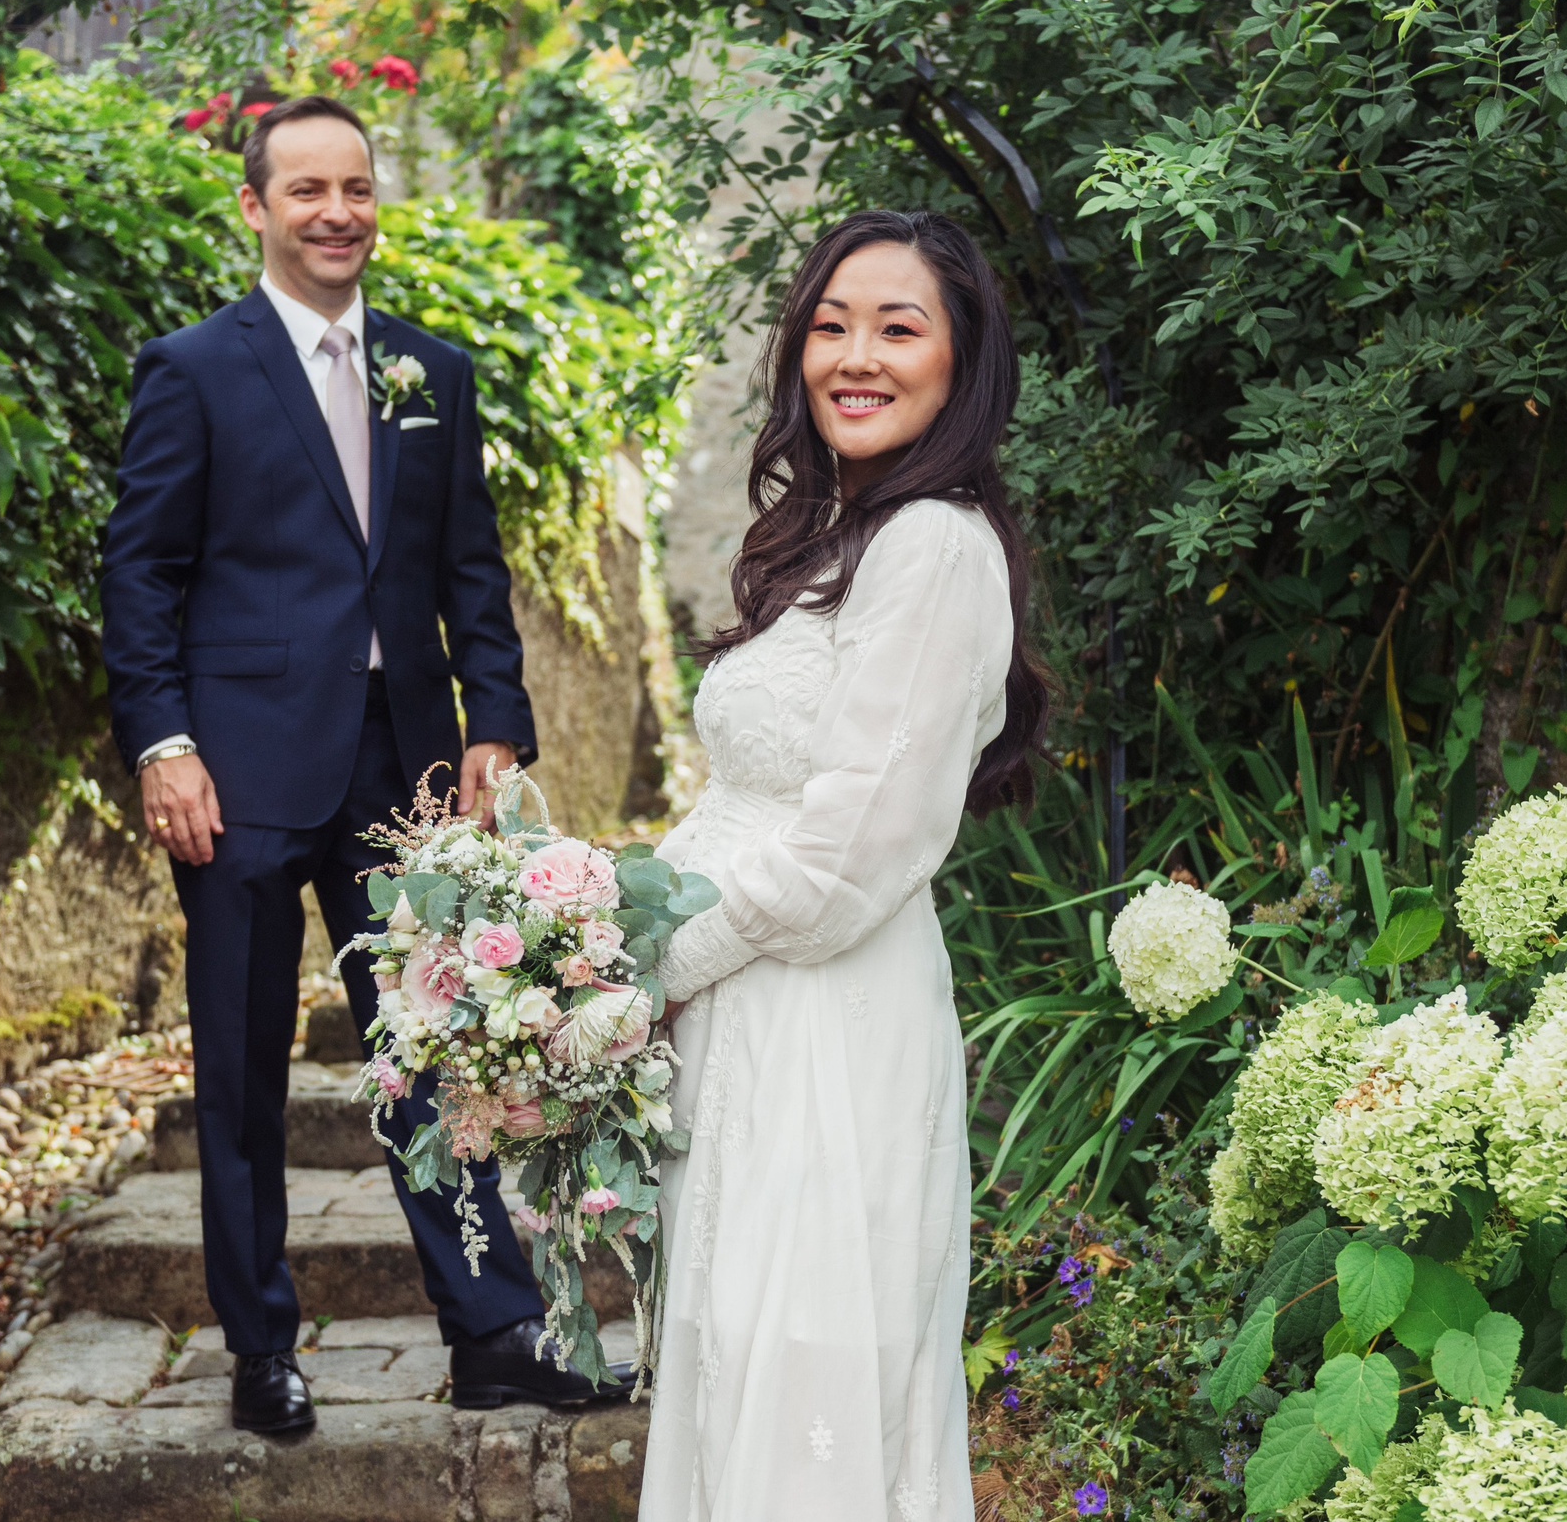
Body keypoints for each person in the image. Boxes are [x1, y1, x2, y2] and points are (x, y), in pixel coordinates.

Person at [96, 94, 633, 1434]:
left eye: (357, 187)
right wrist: (163, 742)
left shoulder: (430, 371)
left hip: (405, 773)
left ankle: (494, 1330)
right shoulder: (192, 369)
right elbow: (141, 571)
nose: (337, 212)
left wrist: (494, 721)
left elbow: (471, 569)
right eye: (307, 190)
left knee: (436, 1059)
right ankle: (260, 1346)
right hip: (238, 774)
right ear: (255, 207)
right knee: (241, 1073)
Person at [639, 210, 1050, 1519]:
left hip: (826, 1023)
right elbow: (749, 799)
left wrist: (656, 967)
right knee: (737, 1369)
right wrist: (599, 921)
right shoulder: (835, 534)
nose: (855, 356)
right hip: (754, 1024)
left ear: (961, 361)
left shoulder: (934, 547)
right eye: (829, 326)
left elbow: (848, 854)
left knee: (805, 1387)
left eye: (897, 328)